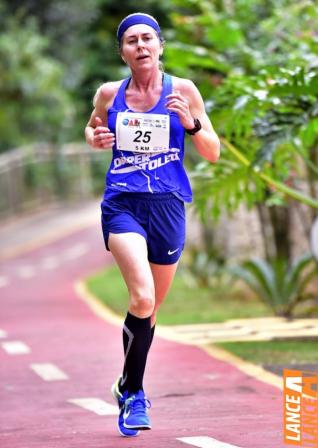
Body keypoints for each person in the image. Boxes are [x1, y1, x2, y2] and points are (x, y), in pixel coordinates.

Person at [85, 12, 220, 438]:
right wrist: (96, 138)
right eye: (131, 40)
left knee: (150, 309)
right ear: (122, 52)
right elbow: (92, 129)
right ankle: (137, 394)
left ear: (160, 46)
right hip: (123, 204)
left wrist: (191, 124)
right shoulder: (110, 93)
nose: (140, 45)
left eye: (147, 38)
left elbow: (212, 151)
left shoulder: (183, 91)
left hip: (168, 206)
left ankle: (124, 384)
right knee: (141, 297)